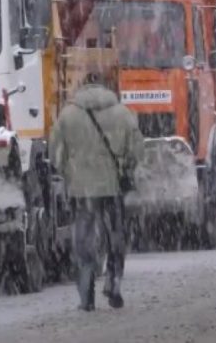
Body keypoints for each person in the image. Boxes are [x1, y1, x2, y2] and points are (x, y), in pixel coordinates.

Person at [49, 71, 144, 311]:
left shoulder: (68, 114)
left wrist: (70, 173)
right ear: (105, 86)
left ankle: (86, 292)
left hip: (81, 190)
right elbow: (136, 150)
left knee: (84, 238)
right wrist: (126, 169)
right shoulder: (122, 113)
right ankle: (113, 281)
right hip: (112, 186)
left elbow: (55, 154)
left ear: (82, 88)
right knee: (115, 234)